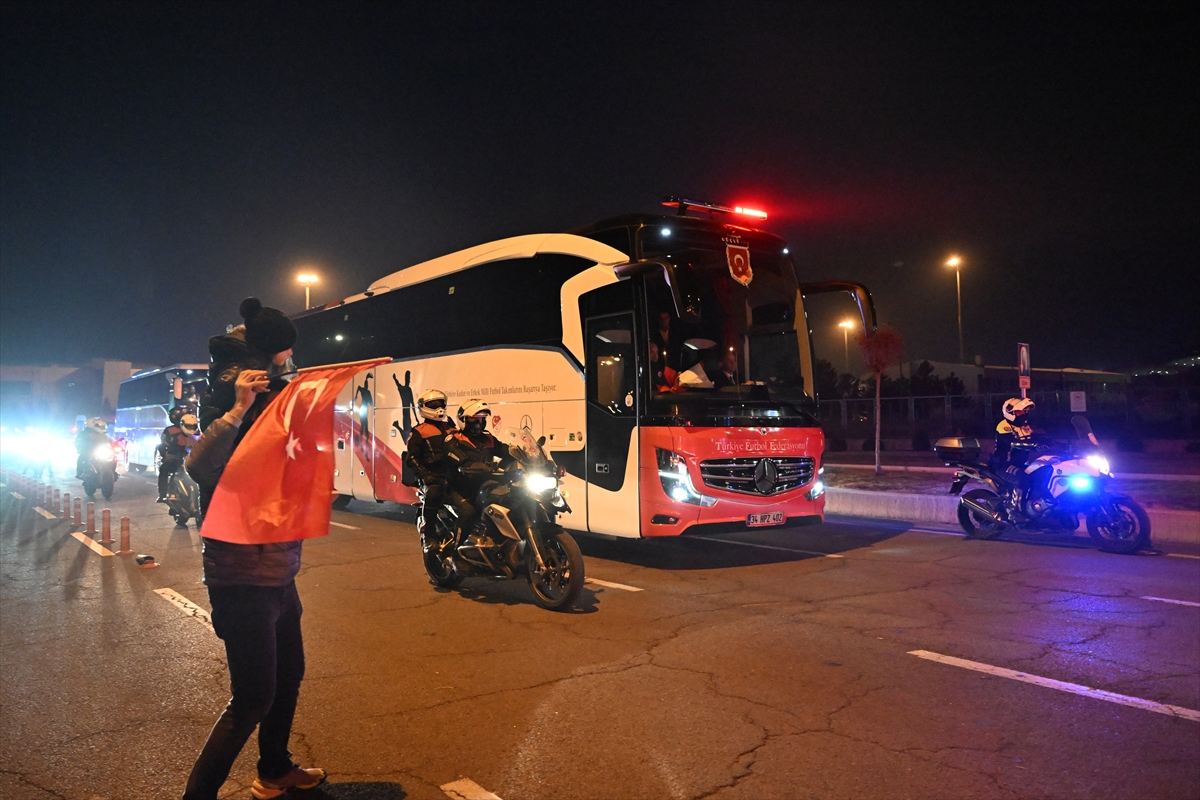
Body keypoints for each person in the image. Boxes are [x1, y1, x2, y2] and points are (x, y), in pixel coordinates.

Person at [182, 297, 325, 800]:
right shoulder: (233, 403)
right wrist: (241, 409)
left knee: (289, 676)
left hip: (279, 571)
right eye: (283, 352)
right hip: (241, 575)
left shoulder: (276, 395)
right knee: (253, 697)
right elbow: (198, 468)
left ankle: (274, 768)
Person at [446, 399, 514, 546]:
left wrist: (527, 456)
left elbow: (505, 450)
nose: (478, 422)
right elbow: (458, 457)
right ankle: (453, 549)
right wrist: (470, 465)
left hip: (484, 485)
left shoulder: (487, 438)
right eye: (473, 418)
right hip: (460, 488)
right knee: (468, 512)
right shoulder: (454, 439)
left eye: (482, 418)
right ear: (463, 419)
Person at [404, 389, 468, 535]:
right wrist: (425, 475)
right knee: (433, 492)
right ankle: (429, 531)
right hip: (433, 476)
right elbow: (412, 458)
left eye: (440, 403)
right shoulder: (419, 431)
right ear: (423, 407)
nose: (438, 407)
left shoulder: (451, 428)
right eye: (433, 404)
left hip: (452, 474)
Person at [158, 409, 199, 502]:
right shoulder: (170, 430)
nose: (191, 428)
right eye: (189, 426)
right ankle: (162, 493)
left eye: (193, 425)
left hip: (193, 457)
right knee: (164, 469)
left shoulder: (199, 432)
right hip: (176, 456)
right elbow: (163, 444)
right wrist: (170, 452)